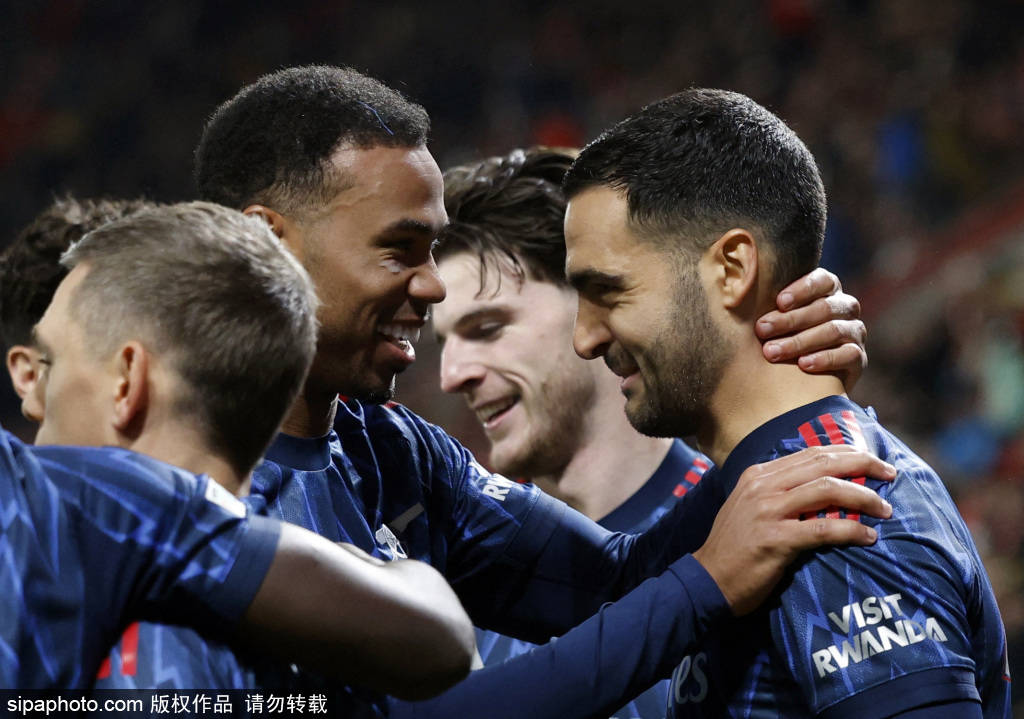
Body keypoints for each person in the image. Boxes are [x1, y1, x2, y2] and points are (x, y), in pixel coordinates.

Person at [97, 65, 890, 711]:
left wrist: (773, 385)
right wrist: (705, 585)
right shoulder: (170, 492)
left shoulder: (390, 450)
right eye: (399, 249)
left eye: (433, 249)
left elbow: (609, 583)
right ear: (267, 243)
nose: (431, 285)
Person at [561, 89, 1011, 718]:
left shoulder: (834, 511)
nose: (584, 339)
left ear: (732, 268)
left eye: (609, 291)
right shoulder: (763, 501)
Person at [422, 146, 867, 719]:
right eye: (445, 342)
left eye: (487, 328)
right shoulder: (469, 588)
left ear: (596, 302)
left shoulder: (774, 515)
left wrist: (797, 402)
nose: (452, 375)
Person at [1, 201, 475, 694]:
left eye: (50, 363)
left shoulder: (73, 501)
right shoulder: (299, 627)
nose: (32, 398)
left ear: (127, 382)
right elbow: (441, 637)